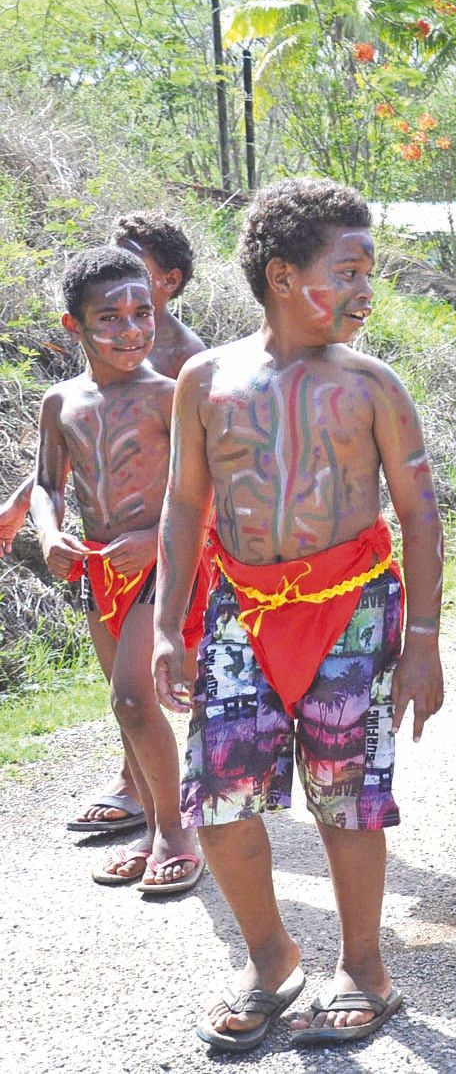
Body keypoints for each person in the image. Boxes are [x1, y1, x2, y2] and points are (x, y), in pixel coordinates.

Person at [155, 178, 444, 1050]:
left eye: (368, 272)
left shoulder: (373, 385)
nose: (365, 290)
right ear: (283, 276)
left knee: (346, 796)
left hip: (352, 608)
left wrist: (423, 641)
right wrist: (169, 624)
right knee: (218, 798)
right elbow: (183, 505)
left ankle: (364, 967)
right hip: (242, 609)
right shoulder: (206, 379)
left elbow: (421, 514)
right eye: (347, 271)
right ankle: (272, 957)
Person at [31, 246, 209, 893]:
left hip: (162, 562)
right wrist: (48, 533)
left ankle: (176, 833)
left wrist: (151, 541)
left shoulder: (171, 396)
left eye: (142, 313)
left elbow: (203, 493)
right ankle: (154, 826)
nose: (131, 329)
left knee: (134, 697)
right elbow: (48, 485)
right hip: (98, 570)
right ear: (73, 325)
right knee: (125, 705)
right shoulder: (61, 402)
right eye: (110, 318)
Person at [111, 212, 207, 379]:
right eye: (111, 266)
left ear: (170, 280)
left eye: (131, 269)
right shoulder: (104, 331)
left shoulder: (187, 354)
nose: (113, 278)